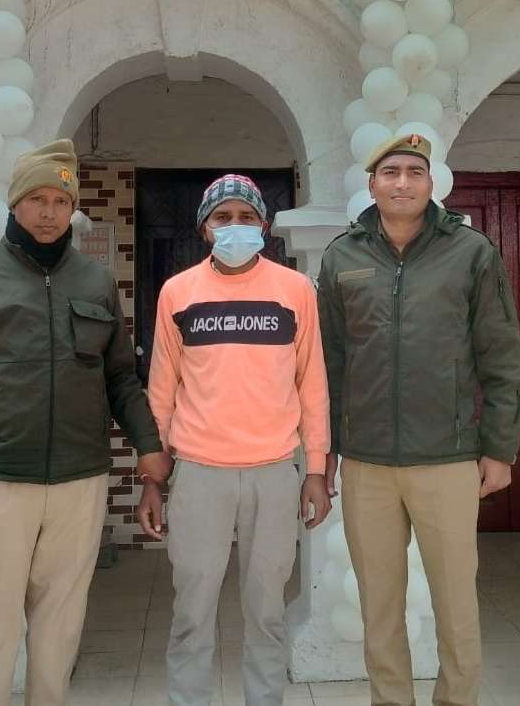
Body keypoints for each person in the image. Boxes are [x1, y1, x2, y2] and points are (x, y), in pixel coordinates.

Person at [0, 139, 171, 706]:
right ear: (14, 203)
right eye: (36, 199)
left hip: (81, 480)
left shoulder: (96, 282)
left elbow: (120, 378)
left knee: (60, 627)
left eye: (60, 201)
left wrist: (148, 444)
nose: (49, 212)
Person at [318, 133, 520, 706]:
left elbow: (501, 354)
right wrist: (326, 448)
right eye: (391, 173)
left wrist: (500, 447)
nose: (403, 183)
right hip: (367, 462)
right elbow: (329, 362)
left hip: (448, 457)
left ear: (431, 183)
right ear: (371, 185)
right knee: (379, 604)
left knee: (455, 601)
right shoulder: (343, 257)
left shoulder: (471, 252)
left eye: (415, 172)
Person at [137, 173, 331, 706]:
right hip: (200, 473)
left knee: (266, 612)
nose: (235, 226)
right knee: (191, 610)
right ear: (205, 228)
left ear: (264, 226)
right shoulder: (179, 293)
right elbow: (161, 391)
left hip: (275, 472)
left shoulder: (295, 291)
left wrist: (315, 469)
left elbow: (312, 384)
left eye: (247, 217)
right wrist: (153, 477)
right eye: (223, 217)